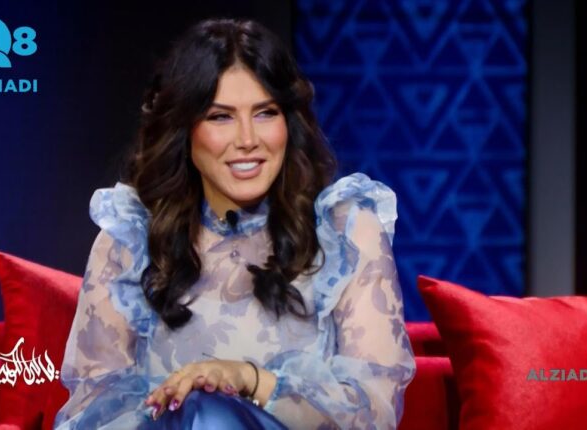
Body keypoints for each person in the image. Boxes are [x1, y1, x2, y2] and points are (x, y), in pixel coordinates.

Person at [53, 18, 415, 430]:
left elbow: (373, 411)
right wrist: (183, 401)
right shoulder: (130, 238)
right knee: (202, 411)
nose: (247, 139)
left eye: (265, 113)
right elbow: (92, 411)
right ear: (185, 129)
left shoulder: (345, 231)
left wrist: (247, 380)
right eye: (220, 117)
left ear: (289, 122)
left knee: (212, 413)